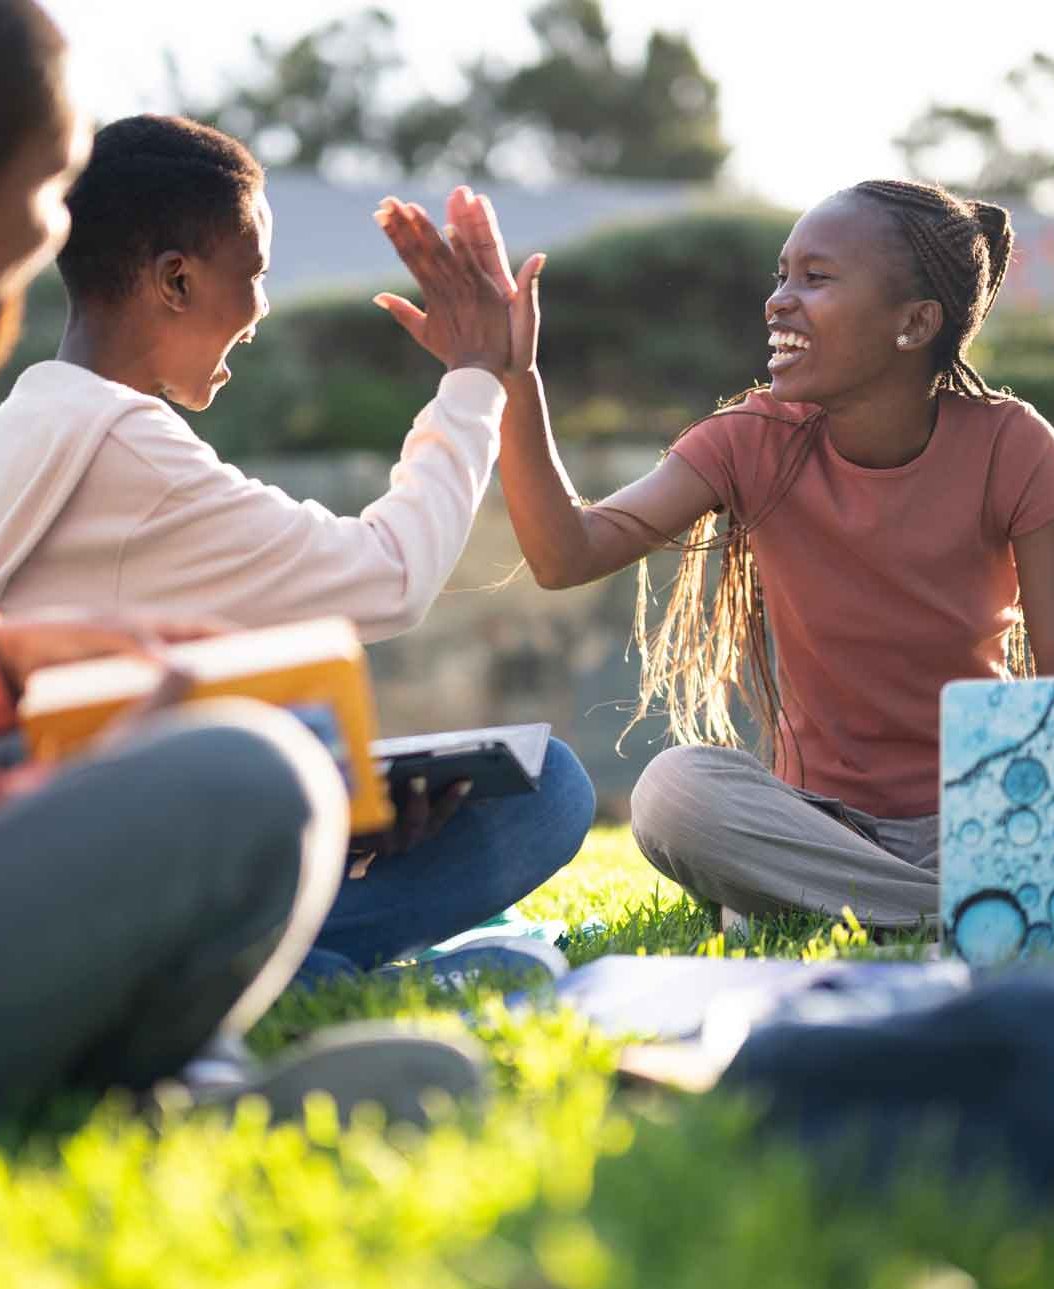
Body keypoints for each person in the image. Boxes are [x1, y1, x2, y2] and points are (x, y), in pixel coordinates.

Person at [0, 0, 483, 1128]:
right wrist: (26, 797)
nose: (52, 237)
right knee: (252, 776)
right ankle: (188, 1059)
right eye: (47, 192)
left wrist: (8, 665)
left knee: (291, 776)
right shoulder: (88, 429)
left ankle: (176, 1064)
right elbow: (388, 576)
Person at [0, 114, 596, 972]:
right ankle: (298, 967)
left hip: (35, 853)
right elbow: (392, 577)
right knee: (547, 789)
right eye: (254, 274)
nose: (260, 310)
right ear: (176, 282)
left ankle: (301, 958)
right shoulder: (128, 449)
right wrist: (477, 379)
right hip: (106, 879)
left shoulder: (5, 441)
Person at [418, 178, 1054, 933]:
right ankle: (954, 915)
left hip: (979, 813)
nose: (779, 299)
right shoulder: (751, 440)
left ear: (914, 323)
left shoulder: (1011, 445)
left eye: (816, 279)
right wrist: (514, 380)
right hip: (819, 827)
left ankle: (881, 903)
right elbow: (566, 555)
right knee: (674, 791)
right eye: (782, 275)